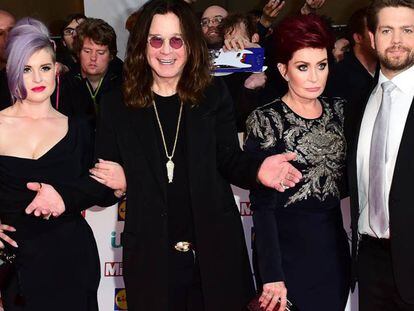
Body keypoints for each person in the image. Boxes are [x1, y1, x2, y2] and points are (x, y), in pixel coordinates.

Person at [23, 1, 303, 310]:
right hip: (151, 259)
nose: (166, 50)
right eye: (156, 39)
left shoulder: (212, 94)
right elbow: (103, 180)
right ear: (143, 45)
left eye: (176, 40)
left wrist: (258, 169)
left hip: (216, 254)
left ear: (190, 45)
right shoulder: (118, 104)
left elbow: (230, 160)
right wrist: (65, 197)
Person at [0, 18, 119, 310]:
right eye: (27, 69)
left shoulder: (81, 128)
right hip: (14, 266)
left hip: (71, 258)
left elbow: (101, 190)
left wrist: (120, 179)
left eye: (45, 67)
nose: (37, 78)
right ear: (13, 71)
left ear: (57, 69)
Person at [244, 14, 350, 311]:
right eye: (303, 67)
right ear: (284, 70)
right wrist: (272, 275)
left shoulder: (339, 112)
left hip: (333, 253)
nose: (315, 77)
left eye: (322, 65)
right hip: (285, 255)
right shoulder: (266, 120)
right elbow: (262, 206)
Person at [347, 0, 414, 310]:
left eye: (407, 30)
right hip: (369, 263)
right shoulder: (359, 103)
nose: (397, 40)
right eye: (387, 30)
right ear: (371, 38)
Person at [326, 7, 378, 142]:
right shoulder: (339, 75)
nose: (381, 37)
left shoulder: (388, 71)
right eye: (373, 31)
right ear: (358, 38)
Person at [57, 18, 123, 123]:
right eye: (87, 51)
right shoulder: (65, 85)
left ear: (111, 56)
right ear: (78, 52)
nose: (93, 57)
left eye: (100, 52)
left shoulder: (125, 82)